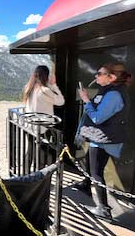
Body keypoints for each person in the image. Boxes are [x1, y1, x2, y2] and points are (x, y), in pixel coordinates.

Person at [77, 63, 130, 221]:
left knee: (97, 172)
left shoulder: (113, 95)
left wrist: (86, 100)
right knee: (91, 165)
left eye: (99, 73)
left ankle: (103, 209)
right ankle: (87, 185)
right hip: (102, 137)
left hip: (103, 139)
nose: (96, 76)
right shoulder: (109, 91)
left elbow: (98, 118)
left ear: (111, 77)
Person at [23, 65, 65, 170]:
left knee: (30, 152)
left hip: (30, 126)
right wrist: (54, 85)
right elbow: (61, 101)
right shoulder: (44, 91)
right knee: (42, 155)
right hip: (43, 128)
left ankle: (25, 175)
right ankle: (39, 179)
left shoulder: (29, 88)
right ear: (46, 76)